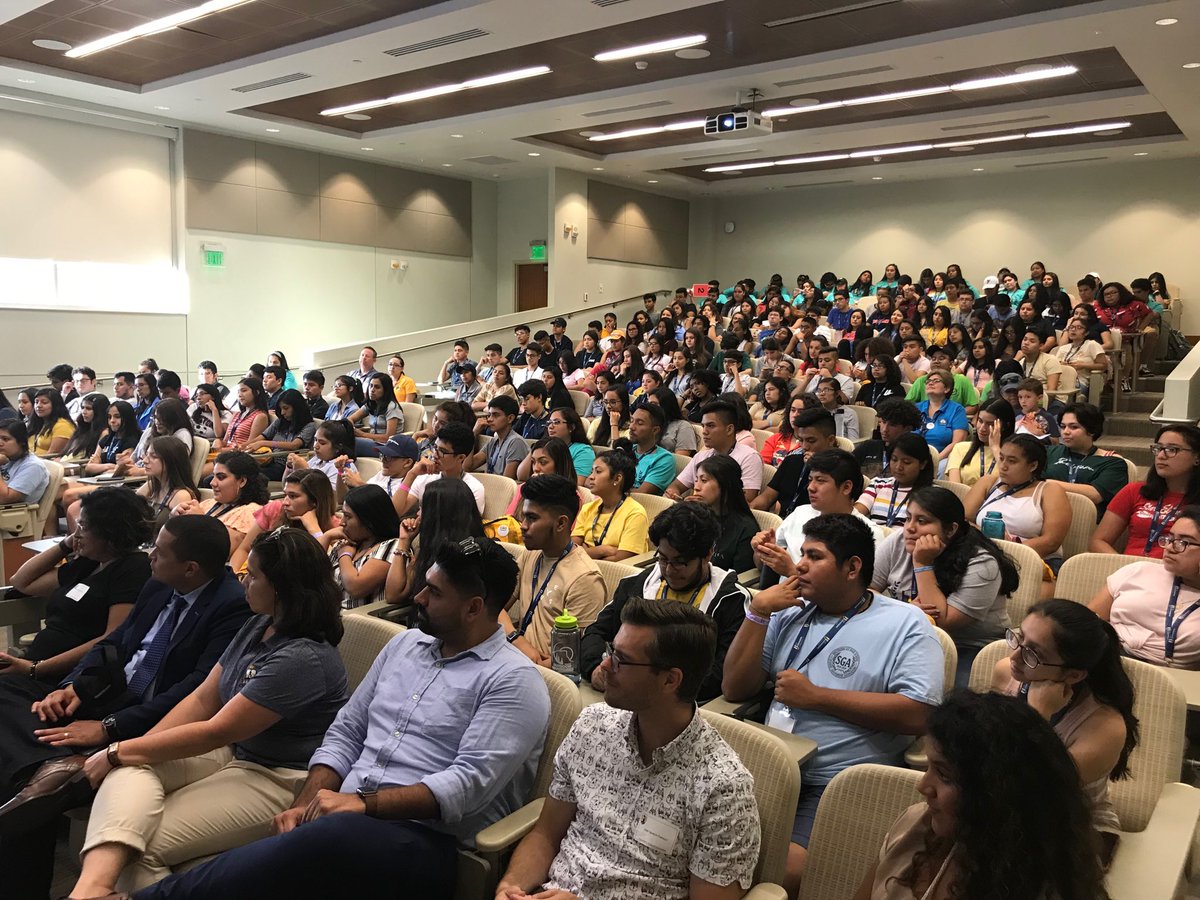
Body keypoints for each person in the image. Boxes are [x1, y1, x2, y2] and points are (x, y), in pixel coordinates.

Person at [126, 535, 549, 899]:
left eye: (434, 593)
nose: (417, 598)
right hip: (345, 816)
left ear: (474, 609)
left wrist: (359, 805)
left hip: (426, 842)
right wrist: (308, 799)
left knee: (322, 841)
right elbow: (347, 730)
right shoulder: (405, 647)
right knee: (300, 846)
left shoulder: (514, 682)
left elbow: (466, 787)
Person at [65, 529, 347, 897]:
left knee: (140, 847)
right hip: (232, 755)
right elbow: (202, 699)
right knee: (134, 766)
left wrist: (117, 750)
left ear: (280, 588)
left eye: (254, 574)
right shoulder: (259, 624)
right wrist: (137, 749)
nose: (243, 578)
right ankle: (91, 890)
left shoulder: (303, 657)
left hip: (277, 776)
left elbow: (217, 730)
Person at [0, 516, 250, 900]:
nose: (150, 557)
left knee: (29, 774)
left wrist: (109, 728)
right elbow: (114, 643)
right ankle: (46, 770)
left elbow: (194, 691)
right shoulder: (158, 585)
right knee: (10, 690)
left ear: (190, 568)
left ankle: (42, 784)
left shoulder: (232, 607)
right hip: (109, 696)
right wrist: (73, 688)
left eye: (160, 552)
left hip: (152, 720)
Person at [723, 514, 944, 892]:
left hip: (835, 780)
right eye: (802, 553)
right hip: (769, 765)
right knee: (715, 852)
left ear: (852, 567)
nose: (801, 565)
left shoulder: (907, 624)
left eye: (815, 556)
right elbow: (735, 689)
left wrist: (817, 697)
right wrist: (758, 612)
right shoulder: (788, 610)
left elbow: (920, 712)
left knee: (781, 871)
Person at [500, 598, 760, 900]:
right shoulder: (592, 726)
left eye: (621, 660)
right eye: (611, 651)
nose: (604, 665)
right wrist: (511, 888)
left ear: (670, 680)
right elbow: (545, 836)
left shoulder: (722, 788)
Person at [852, 690, 1109, 900]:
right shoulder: (915, 824)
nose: (923, 786)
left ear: (995, 790)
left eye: (943, 774)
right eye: (928, 767)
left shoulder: (1044, 882)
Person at [992, 600, 1139, 863]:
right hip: (1002, 811)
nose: (1014, 657)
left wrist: (1038, 715)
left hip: (1075, 825)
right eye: (1019, 638)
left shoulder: (1105, 726)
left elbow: (1032, 788)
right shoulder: (1008, 674)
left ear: (1073, 676)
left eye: (1033, 654)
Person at [580, 502, 750, 702]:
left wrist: (640, 685)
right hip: (623, 694)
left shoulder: (731, 600)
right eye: (662, 559)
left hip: (686, 706)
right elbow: (595, 633)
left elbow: (716, 675)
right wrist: (595, 669)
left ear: (708, 554)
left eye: (679, 562)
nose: (669, 570)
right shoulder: (638, 586)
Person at [874, 486, 1018, 684]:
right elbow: (863, 590)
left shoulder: (982, 562)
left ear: (951, 529)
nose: (910, 528)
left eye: (922, 521)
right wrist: (904, 609)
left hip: (969, 647)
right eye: (908, 518)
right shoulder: (899, 540)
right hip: (908, 635)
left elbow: (942, 622)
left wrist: (922, 564)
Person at [4, 489, 152, 680]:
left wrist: (36, 668)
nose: (77, 534)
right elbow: (21, 581)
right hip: (35, 666)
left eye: (83, 526)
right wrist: (66, 544)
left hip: (67, 677)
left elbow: (111, 638)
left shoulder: (133, 569)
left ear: (109, 533)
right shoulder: (90, 562)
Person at [503, 475, 606, 666]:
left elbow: (568, 660)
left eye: (532, 518)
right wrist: (516, 640)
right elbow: (495, 607)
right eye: (523, 516)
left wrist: (524, 654)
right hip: (516, 655)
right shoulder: (530, 554)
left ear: (561, 523)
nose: (523, 526)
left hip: (543, 673)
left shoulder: (585, 578)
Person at [755, 449, 884, 590]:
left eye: (820, 481)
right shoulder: (800, 513)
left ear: (846, 487)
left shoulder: (868, 533)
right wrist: (763, 551)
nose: (810, 487)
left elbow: (856, 595)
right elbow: (762, 568)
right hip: (782, 604)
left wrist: (792, 571)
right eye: (810, 480)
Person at [1090, 506, 1200, 667]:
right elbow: (1089, 621)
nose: (1169, 547)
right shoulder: (1138, 571)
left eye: (1183, 542)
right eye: (1169, 539)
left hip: (1169, 677)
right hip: (1107, 658)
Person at [964, 434, 1070, 586]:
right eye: (1001, 458)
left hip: (1034, 561)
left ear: (1033, 465)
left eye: (1012, 461)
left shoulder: (1050, 491)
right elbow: (961, 520)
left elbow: (1051, 541)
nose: (1003, 465)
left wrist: (1006, 550)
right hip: (982, 554)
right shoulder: (988, 482)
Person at [1091, 424, 1200, 559]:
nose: (1161, 455)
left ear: (1197, 457)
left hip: (1176, 574)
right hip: (1129, 572)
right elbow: (1099, 541)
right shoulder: (1134, 491)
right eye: (1158, 448)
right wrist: (1123, 566)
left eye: (1172, 449)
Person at [386, 479, 485, 607]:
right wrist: (404, 541)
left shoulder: (473, 557)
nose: (418, 514)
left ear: (437, 515)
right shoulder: (429, 551)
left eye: (422, 508)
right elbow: (393, 595)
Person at [230, 469, 339, 575]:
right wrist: (234, 576)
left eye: (293, 496)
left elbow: (326, 569)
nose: (285, 502)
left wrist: (313, 528)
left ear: (315, 501)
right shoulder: (276, 509)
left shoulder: (335, 527)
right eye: (285, 495)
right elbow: (244, 549)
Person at [170, 451, 269, 557]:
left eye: (221, 477)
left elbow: (219, 552)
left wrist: (200, 521)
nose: (212, 482)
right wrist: (175, 519)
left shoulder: (251, 512)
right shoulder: (210, 503)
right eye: (213, 476)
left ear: (242, 481)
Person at [665, 401, 762, 504]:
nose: (704, 431)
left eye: (711, 426)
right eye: (703, 426)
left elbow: (745, 500)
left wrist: (703, 500)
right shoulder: (701, 456)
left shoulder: (749, 457)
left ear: (729, 429)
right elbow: (676, 486)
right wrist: (673, 492)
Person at [324, 484, 399, 608]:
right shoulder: (348, 541)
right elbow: (313, 576)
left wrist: (344, 555)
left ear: (369, 520)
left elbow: (355, 587)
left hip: (356, 622)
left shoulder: (392, 546)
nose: (342, 522)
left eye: (348, 516)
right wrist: (326, 537)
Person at [1045, 403, 1129, 514]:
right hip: (1046, 514)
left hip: (1086, 520)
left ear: (1091, 430)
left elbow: (1096, 494)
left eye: (1074, 427)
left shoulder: (1112, 462)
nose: (1065, 432)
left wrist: (1047, 483)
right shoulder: (1049, 452)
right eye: (1063, 426)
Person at [685, 453, 757, 574]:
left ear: (725, 485)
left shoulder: (745, 528)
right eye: (696, 480)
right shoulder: (694, 516)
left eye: (704, 480)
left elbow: (739, 578)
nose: (696, 487)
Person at [395, 420, 485, 516]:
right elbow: (396, 512)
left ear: (460, 458)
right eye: (435, 447)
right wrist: (411, 474)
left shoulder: (473, 488)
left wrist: (423, 519)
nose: (434, 455)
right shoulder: (425, 477)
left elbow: (465, 528)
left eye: (442, 451)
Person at [573, 449, 649, 561]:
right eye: (592, 471)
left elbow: (622, 559)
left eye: (598, 472)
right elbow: (571, 550)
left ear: (617, 479)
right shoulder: (588, 508)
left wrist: (585, 551)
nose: (590, 477)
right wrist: (602, 550)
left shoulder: (635, 513)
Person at [855, 431, 935, 527]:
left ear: (923, 464)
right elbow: (856, 514)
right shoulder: (878, 484)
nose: (898, 467)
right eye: (894, 459)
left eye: (906, 462)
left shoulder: (932, 495)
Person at [244, 388, 316, 480]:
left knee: (249, 474)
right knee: (241, 467)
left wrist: (263, 443)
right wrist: (243, 446)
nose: (282, 412)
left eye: (286, 408)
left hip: (283, 465)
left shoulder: (309, 426)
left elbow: (294, 445)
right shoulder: (280, 421)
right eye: (280, 408)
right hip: (268, 459)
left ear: (297, 407)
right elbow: (263, 436)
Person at [945, 400, 1014, 487]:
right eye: (980, 421)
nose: (982, 428)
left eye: (990, 424)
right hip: (964, 498)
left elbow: (1012, 480)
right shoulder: (961, 448)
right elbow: (955, 487)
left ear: (1005, 426)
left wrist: (995, 448)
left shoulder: (1013, 453)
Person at [914, 370, 968, 462]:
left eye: (936, 381)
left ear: (947, 388)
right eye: (928, 381)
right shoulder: (916, 408)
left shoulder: (957, 410)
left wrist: (935, 461)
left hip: (943, 459)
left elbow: (957, 443)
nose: (930, 383)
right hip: (913, 457)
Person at [473, 395, 530, 478]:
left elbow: (507, 481)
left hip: (501, 488)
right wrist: (474, 433)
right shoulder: (494, 441)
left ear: (510, 418)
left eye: (495, 415)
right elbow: (468, 466)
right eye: (489, 415)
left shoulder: (516, 442)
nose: (489, 419)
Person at [81, 400, 142, 476]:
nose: (112, 421)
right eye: (109, 417)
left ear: (127, 418)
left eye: (117, 417)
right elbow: (89, 468)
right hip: (98, 479)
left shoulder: (132, 441)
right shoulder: (106, 439)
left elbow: (121, 470)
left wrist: (99, 466)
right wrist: (109, 466)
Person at [625, 404, 675, 495]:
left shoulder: (664, 459)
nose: (631, 427)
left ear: (655, 430)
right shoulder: (626, 449)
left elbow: (642, 493)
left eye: (639, 423)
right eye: (632, 421)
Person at [0, 419, 51, 505]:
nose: (0, 443)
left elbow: (5, 499)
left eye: (5, 439)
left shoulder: (33, 466)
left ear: (22, 442)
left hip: (13, 515)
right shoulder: (6, 458)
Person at [214, 378, 269, 454]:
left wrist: (219, 451)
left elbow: (249, 446)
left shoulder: (260, 416)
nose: (240, 395)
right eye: (238, 392)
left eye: (244, 391)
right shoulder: (236, 414)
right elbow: (225, 441)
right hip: (227, 453)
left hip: (240, 456)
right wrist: (217, 444)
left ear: (256, 392)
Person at [649, 386, 698, 456]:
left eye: (653, 404)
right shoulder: (649, 424)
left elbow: (681, 459)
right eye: (648, 404)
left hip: (666, 465)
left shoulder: (683, 426)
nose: (649, 408)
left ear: (666, 405)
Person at [27, 387, 75, 456]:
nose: (39, 406)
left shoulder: (63, 425)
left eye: (44, 402)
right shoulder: (38, 423)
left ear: (55, 405)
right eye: (36, 402)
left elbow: (51, 455)